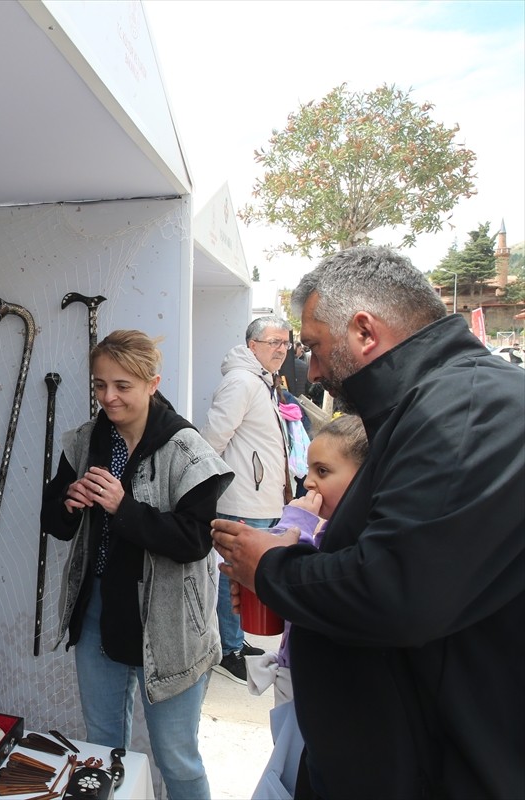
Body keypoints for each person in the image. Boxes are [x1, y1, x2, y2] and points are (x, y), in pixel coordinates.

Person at [212, 246, 525, 798]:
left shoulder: (466, 410)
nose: (310, 369)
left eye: (314, 348)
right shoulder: (425, 406)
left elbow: (399, 588)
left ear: (363, 332)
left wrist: (274, 570)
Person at [42, 330, 233, 800]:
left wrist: (124, 509)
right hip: (100, 610)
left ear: (152, 383)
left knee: (177, 759)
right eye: (100, 384)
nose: (108, 397)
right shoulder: (86, 442)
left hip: (170, 623)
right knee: (104, 749)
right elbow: (55, 523)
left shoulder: (186, 450)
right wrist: (69, 501)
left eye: (122, 385)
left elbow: (194, 540)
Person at [247, 415, 367, 799]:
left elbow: (299, 572)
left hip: (319, 695)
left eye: (324, 470)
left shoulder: (351, 540)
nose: (309, 481)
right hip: (294, 680)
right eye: (309, 469)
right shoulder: (326, 529)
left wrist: (293, 523)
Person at [201, 315, 292, 684]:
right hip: (242, 499)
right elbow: (213, 437)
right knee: (232, 576)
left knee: (246, 574)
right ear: (252, 345)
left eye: (286, 343)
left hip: (260, 498)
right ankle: (228, 649)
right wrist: (202, 488)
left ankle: (235, 641)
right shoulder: (241, 380)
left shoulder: (259, 380)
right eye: (273, 342)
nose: (281, 349)